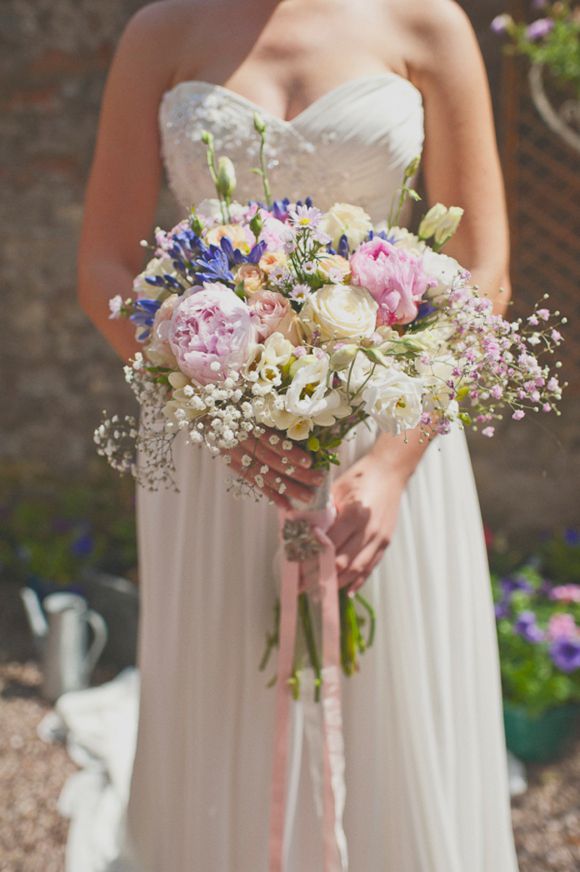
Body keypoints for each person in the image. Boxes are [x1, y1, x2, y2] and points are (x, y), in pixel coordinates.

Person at [77, 0, 520, 869]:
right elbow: (102, 267)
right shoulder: (158, 33)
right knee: (221, 692)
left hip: (388, 433)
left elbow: (487, 271)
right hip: (217, 452)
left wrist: (394, 465)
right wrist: (209, 413)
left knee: (397, 706)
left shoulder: (427, 22)